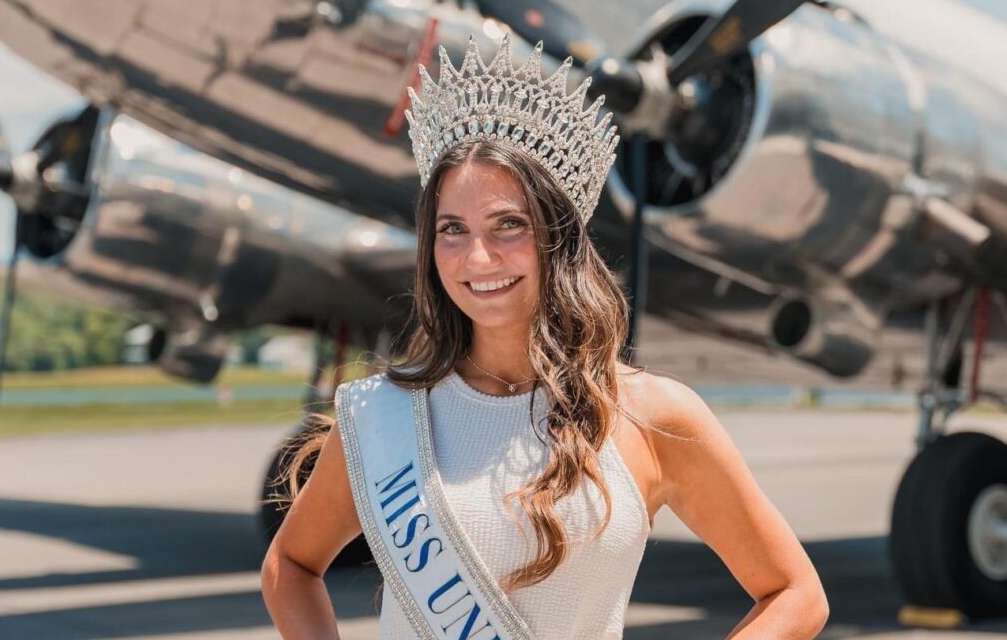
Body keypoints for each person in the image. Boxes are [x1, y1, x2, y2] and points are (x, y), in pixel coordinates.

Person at [261, 35, 828, 639]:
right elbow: (290, 566)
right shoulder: (383, 414)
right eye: (452, 229)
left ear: (558, 237)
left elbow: (795, 593)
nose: (477, 257)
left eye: (509, 225)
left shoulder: (652, 417)